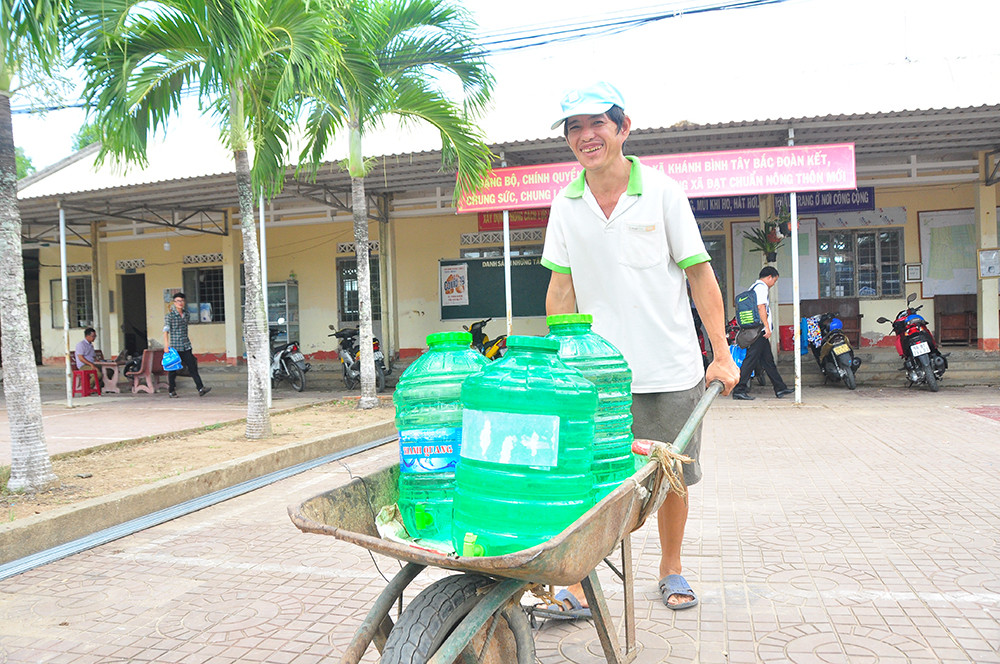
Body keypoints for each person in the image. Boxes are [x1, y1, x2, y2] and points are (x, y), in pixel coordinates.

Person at [538, 81, 740, 616]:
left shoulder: (663, 193)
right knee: (594, 480)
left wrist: (721, 353)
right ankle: (579, 579)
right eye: (574, 128)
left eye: (596, 124)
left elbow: (700, 276)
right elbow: (560, 291)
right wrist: (560, 363)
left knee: (674, 477)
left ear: (623, 128)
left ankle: (671, 568)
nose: (586, 136)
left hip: (671, 369)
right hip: (597, 378)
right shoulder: (566, 205)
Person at [731, 266, 793, 400]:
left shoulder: (754, 287)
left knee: (768, 361)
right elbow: (761, 307)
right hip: (759, 331)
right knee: (751, 359)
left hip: (758, 331)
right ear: (769, 277)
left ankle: (780, 388)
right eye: (774, 280)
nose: (774, 284)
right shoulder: (761, 288)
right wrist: (767, 327)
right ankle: (739, 390)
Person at [163, 292, 211, 398]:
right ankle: (171, 390)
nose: (180, 303)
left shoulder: (186, 314)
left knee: (192, 367)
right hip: (175, 347)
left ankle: (200, 388)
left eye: (182, 301)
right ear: (174, 302)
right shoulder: (170, 316)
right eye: (178, 301)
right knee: (173, 370)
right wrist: (166, 346)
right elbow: (165, 331)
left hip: (186, 345)